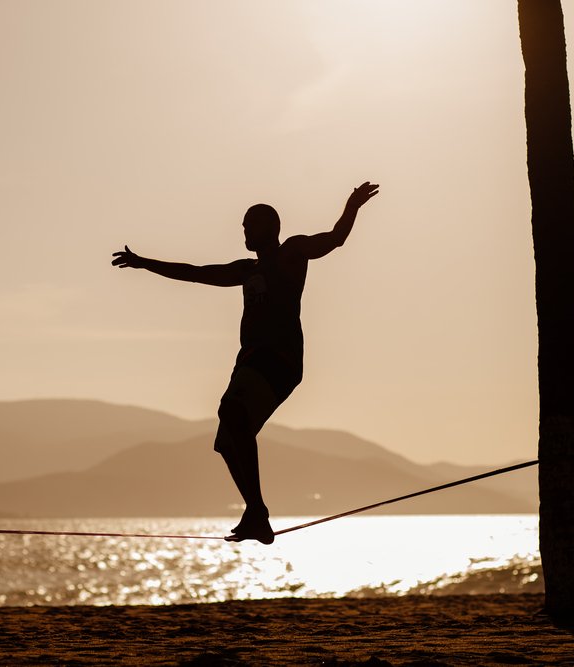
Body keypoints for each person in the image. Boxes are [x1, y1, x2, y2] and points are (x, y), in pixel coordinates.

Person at [112, 182, 379, 543]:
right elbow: (194, 272)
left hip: (279, 357)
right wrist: (145, 263)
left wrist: (352, 206)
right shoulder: (244, 270)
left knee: (232, 414)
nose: (243, 232)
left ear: (268, 227)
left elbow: (334, 238)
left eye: (248, 225)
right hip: (251, 361)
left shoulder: (292, 253)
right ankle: (257, 514)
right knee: (227, 439)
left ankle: (257, 512)